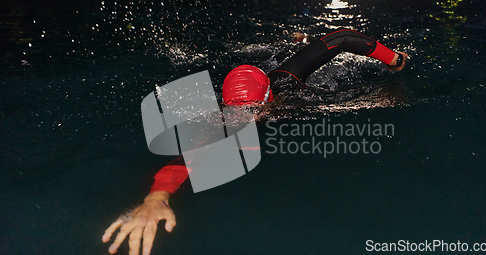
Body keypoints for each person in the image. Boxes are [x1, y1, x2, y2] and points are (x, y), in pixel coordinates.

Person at [102, 28, 408, 255]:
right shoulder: (226, 119)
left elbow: (341, 38)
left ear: (267, 100)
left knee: (389, 99)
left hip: (287, 83)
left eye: (250, 111)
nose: (243, 118)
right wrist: (156, 197)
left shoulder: (287, 82)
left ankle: (295, 41)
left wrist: (393, 59)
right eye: (235, 111)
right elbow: (186, 158)